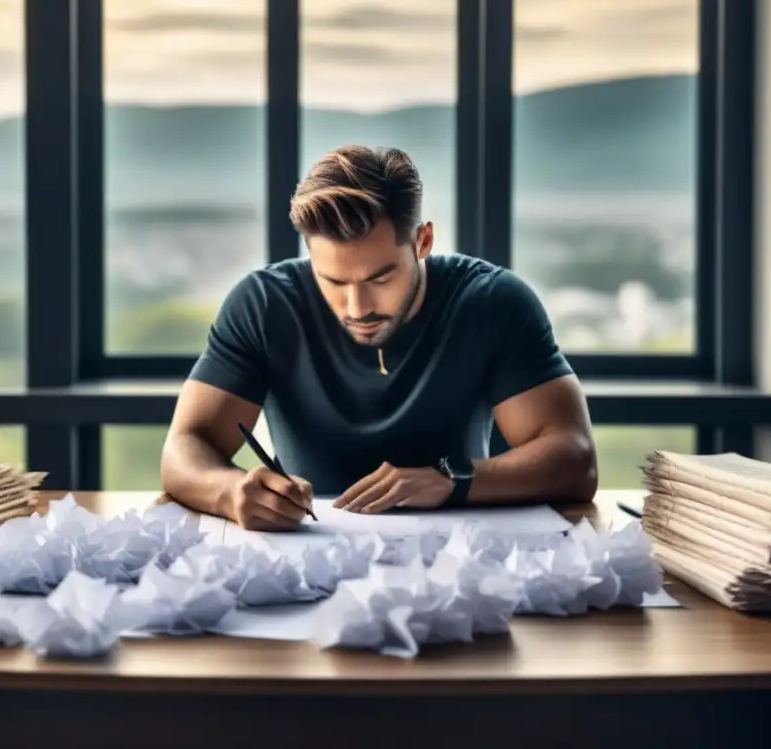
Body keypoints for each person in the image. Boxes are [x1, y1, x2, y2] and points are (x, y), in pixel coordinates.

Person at [161, 144, 597, 532]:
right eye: (332, 280)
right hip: (307, 555)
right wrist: (232, 492)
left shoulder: (494, 302)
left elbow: (575, 459)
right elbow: (185, 446)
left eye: (381, 276)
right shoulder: (262, 305)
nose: (357, 307)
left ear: (422, 241)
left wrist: (450, 478)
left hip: (461, 560)